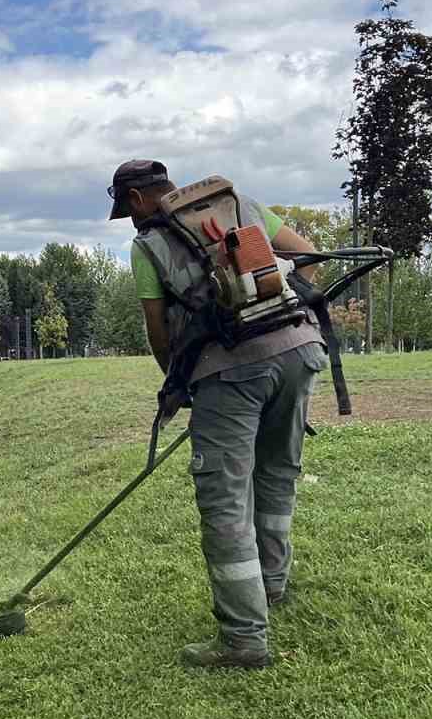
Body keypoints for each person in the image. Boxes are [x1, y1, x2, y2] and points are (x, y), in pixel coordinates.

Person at [108, 158, 327, 670]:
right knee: (276, 474)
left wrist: (180, 381)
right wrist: (281, 307)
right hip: (300, 351)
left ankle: (244, 638)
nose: (131, 219)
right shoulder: (241, 204)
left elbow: (158, 328)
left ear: (137, 199)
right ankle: (271, 587)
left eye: (127, 210)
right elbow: (307, 257)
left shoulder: (148, 244)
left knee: (224, 499)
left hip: (228, 371)